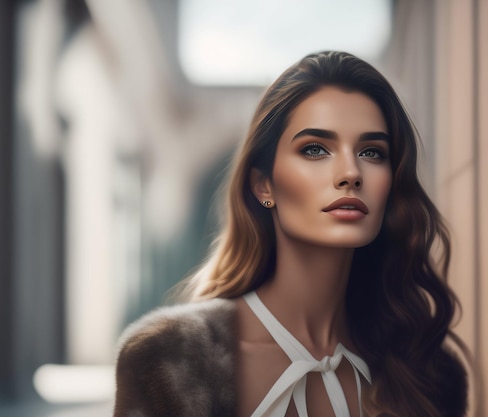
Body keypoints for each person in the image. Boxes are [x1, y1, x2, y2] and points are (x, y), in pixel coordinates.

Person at [113, 51, 467, 417]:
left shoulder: (429, 374)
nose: (351, 172)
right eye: (315, 149)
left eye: (372, 152)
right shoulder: (167, 361)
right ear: (263, 185)